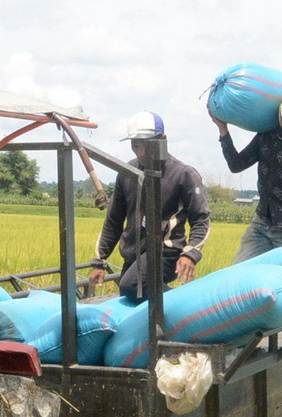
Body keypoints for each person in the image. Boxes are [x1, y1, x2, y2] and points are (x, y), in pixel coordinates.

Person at [88, 111, 210, 303]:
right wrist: (100, 261)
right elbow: (113, 221)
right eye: (135, 145)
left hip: (166, 251)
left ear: (163, 140)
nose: (141, 152)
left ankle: (189, 304)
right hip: (134, 252)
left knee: (132, 286)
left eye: (147, 145)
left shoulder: (183, 174)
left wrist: (191, 253)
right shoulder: (127, 172)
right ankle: (165, 327)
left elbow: (201, 219)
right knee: (131, 293)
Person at [214, 91, 282, 263]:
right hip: (262, 223)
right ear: (279, 114)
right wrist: (223, 130)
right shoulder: (265, 138)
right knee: (238, 271)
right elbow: (236, 165)